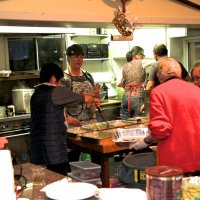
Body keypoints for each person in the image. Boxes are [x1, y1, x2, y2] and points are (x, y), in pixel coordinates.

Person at [130, 57, 200, 175]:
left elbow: (160, 130)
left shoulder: (158, 92)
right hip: (197, 157)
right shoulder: (196, 90)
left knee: (174, 193)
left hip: (174, 162)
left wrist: (144, 142)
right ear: (180, 72)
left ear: (159, 75)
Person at [29, 63, 100, 176]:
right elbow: (82, 98)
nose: (60, 83)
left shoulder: (36, 94)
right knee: (58, 179)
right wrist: (93, 97)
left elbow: (48, 115)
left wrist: (69, 120)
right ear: (53, 78)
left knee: (42, 180)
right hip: (53, 149)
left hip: (36, 147)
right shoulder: (55, 91)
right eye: (59, 80)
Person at [61, 44, 101, 163]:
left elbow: (94, 97)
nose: (79, 60)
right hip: (74, 125)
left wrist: (96, 98)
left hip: (91, 124)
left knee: (96, 155)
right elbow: (61, 103)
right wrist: (66, 119)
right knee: (73, 157)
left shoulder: (88, 76)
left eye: (81, 57)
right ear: (69, 58)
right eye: (76, 57)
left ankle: (98, 180)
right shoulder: (64, 78)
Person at [117, 46, 145, 120]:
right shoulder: (142, 62)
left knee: (125, 124)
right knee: (137, 124)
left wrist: (126, 86)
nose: (143, 57)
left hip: (126, 98)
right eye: (143, 55)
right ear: (138, 55)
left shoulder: (124, 66)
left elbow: (118, 83)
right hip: (137, 97)